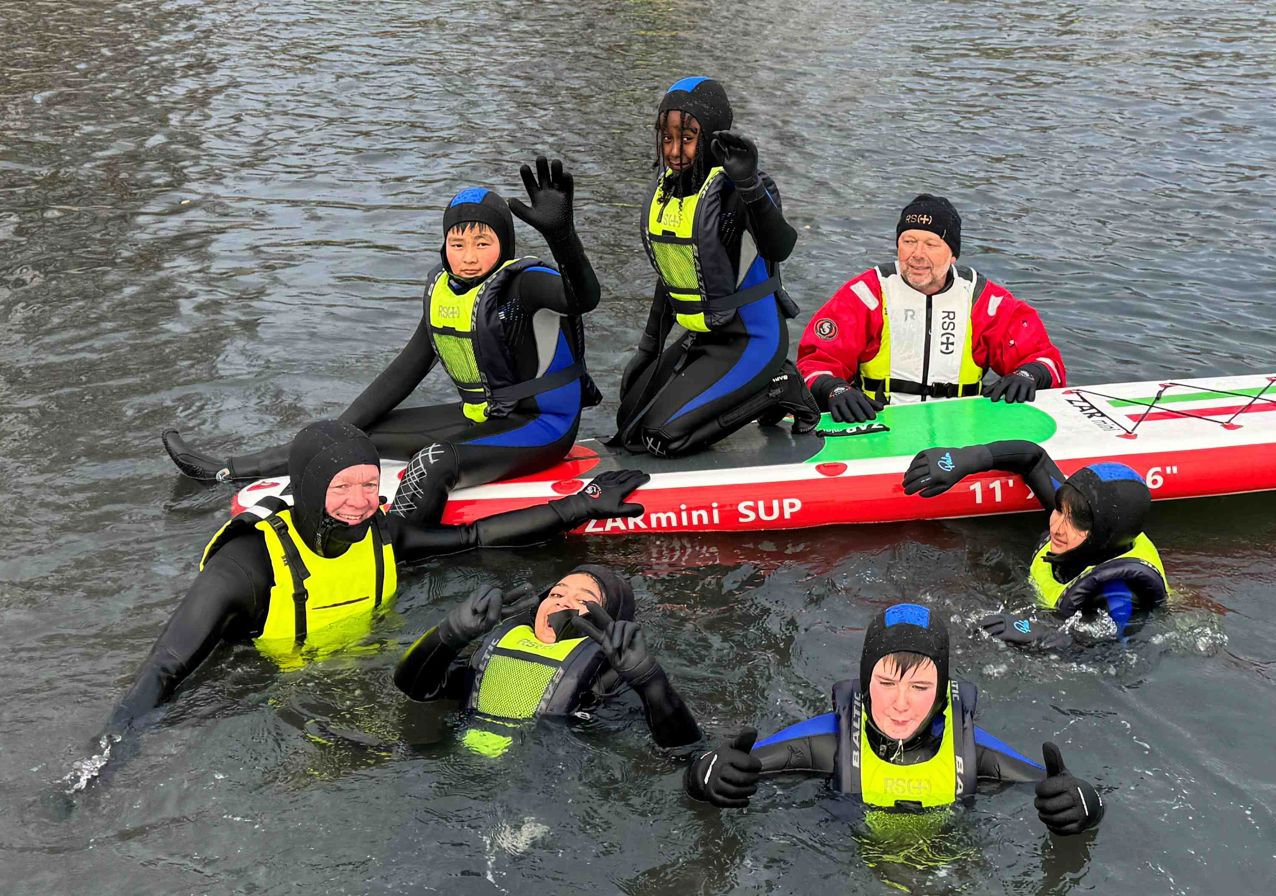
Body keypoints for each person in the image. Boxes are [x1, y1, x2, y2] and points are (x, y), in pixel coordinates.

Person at [107, 420, 648, 736]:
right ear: (311, 486)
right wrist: (105, 754)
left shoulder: (382, 534)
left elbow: (476, 540)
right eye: (342, 488)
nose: (359, 503)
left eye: (370, 485)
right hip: (265, 696)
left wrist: (577, 507)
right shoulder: (246, 565)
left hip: (368, 676)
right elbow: (165, 668)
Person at [163, 156, 602, 510]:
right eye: (458, 244)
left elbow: (585, 297)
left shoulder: (527, 284)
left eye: (483, 244)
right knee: (354, 434)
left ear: (504, 245)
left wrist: (562, 237)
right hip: (481, 419)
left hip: (543, 427)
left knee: (434, 463)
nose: (469, 257)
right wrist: (335, 434)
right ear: (444, 245)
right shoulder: (443, 291)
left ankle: (410, 544)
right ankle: (226, 470)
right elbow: (402, 373)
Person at [683, 603, 1104, 839]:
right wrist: (703, 777)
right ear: (866, 684)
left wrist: (1086, 806)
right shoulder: (825, 744)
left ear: (942, 693)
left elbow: (1053, 787)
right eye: (886, 683)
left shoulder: (975, 754)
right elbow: (723, 769)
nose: (900, 704)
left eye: (920, 688)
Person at [613, 76, 819, 457]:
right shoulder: (668, 192)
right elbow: (669, 281)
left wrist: (750, 186)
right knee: (629, 425)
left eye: (687, 137)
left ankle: (778, 386)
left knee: (663, 436)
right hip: (704, 337)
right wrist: (648, 349)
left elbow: (781, 246)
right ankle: (737, 392)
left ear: (710, 136)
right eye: (667, 137)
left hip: (752, 339)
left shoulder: (738, 189)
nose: (674, 151)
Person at [796, 194, 1067, 423]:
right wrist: (833, 389)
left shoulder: (983, 301)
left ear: (952, 254)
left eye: (931, 244)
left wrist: (1029, 374)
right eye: (909, 241)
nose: (917, 255)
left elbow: (1045, 359)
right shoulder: (866, 296)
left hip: (962, 429)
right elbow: (815, 362)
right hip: (877, 422)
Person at [393, 564, 699, 756]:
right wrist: (450, 633)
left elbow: (681, 749)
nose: (563, 601)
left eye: (583, 600)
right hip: (452, 768)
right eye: (556, 594)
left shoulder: (613, 684)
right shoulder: (486, 657)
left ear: (610, 622)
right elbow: (414, 689)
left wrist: (649, 680)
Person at [903, 440, 1168, 647]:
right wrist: (965, 458)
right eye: (1059, 510)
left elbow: (1116, 652)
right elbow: (1033, 457)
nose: (1058, 527)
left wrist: (1042, 636)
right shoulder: (1085, 512)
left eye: (1076, 522)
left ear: (1104, 533)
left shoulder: (1120, 595)